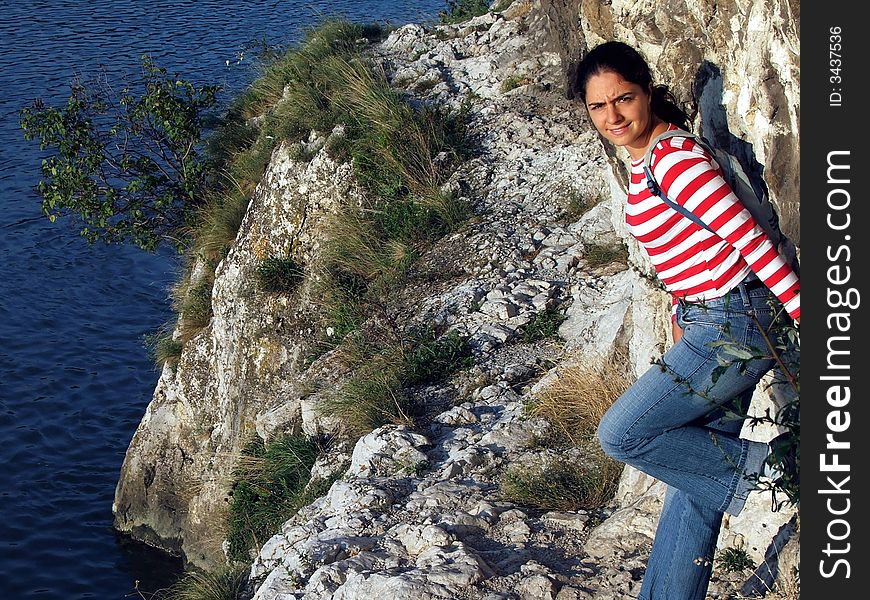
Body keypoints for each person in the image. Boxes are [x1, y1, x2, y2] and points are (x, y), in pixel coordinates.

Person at [570, 41, 800, 599]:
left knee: (622, 432)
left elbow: (747, 239)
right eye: (598, 107)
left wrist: (805, 316)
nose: (613, 117)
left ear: (647, 91)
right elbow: (687, 250)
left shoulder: (675, 160)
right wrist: (679, 310)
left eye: (623, 99)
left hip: (735, 322)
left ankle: (781, 471)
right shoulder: (645, 161)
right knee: (695, 491)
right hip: (707, 320)